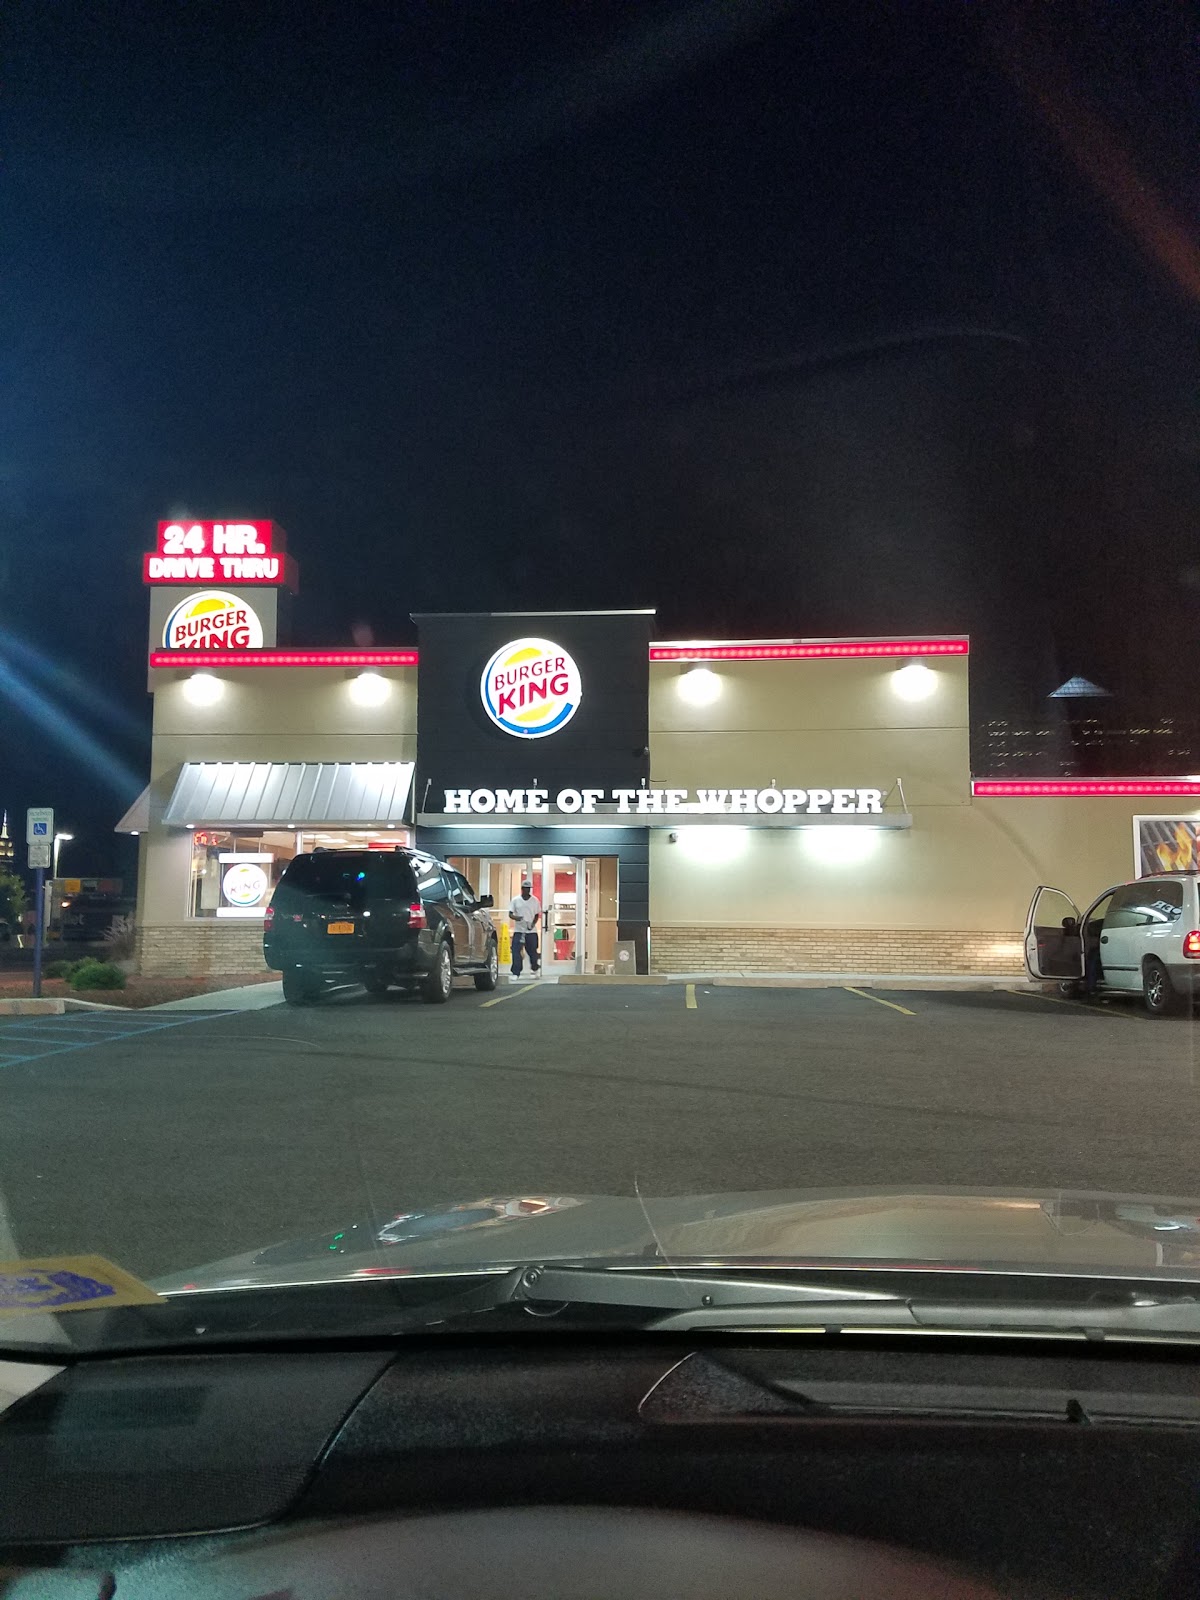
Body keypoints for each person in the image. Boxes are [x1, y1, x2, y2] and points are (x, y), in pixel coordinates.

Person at [508, 877, 542, 977]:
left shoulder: (535, 900)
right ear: (522, 888)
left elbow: (536, 914)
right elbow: (510, 913)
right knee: (516, 951)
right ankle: (516, 972)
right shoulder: (515, 900)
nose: (527, 890)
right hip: (519, 930)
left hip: (531, 931)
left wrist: (532, 924)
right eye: (526, 888)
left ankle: (535, 968)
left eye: (529, 888)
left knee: (532, 952)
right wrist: (517, 918)